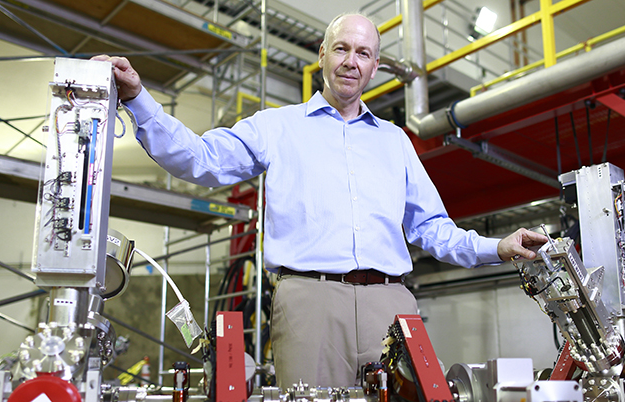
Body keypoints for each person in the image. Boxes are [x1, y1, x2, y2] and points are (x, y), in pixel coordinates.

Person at [94, 12, 546, 389]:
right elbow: (201, 159)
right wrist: (138, 98)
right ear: (323, 55)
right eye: (342, 48)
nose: (352, 61)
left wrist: (497, 247)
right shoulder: (277, 126)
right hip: (308, 302)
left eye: (363, 53)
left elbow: (432, 228)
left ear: (374, 67)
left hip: (391, 306)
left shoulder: (395, 141)